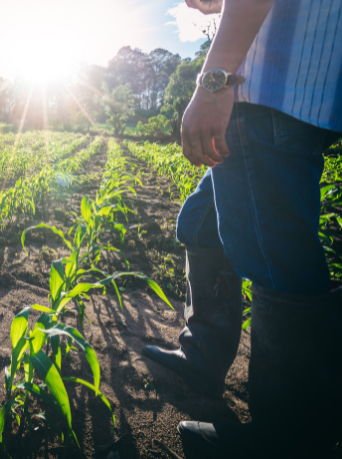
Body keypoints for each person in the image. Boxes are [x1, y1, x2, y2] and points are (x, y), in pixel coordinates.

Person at [141, 0, 342, 457]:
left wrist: (214, 83)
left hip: (269, 90)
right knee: (199, 222)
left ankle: (288, 438)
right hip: (286, 87)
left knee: (276, 258)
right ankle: (204, 356)